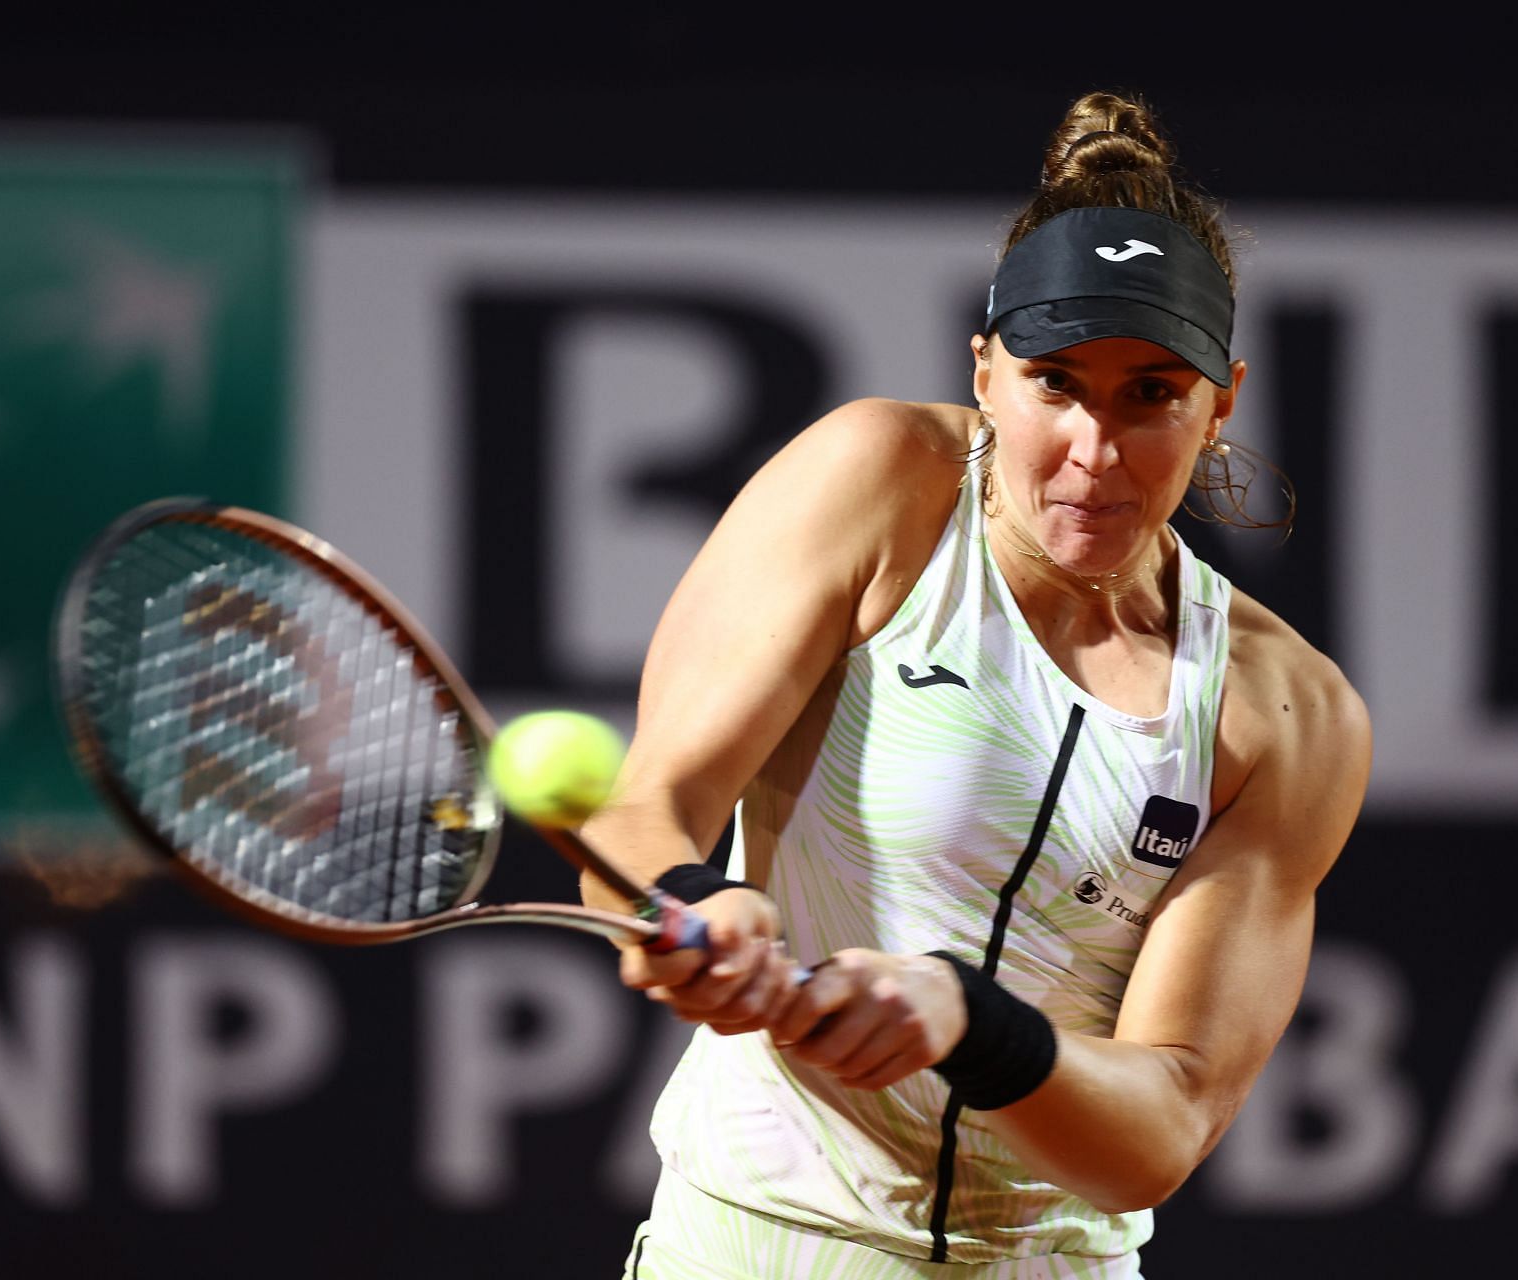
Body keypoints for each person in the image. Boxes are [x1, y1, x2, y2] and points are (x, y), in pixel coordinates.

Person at [580, 89, 1371, 1279]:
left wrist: (964, 1017)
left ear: (1223, 402)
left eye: (1150, 394)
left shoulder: (1286, 713)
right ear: (986, 370)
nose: (1095, 455)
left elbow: (1163, 1125)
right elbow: (642, 812)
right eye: (1056, 383)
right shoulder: (876, 481)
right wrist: (689, 902)